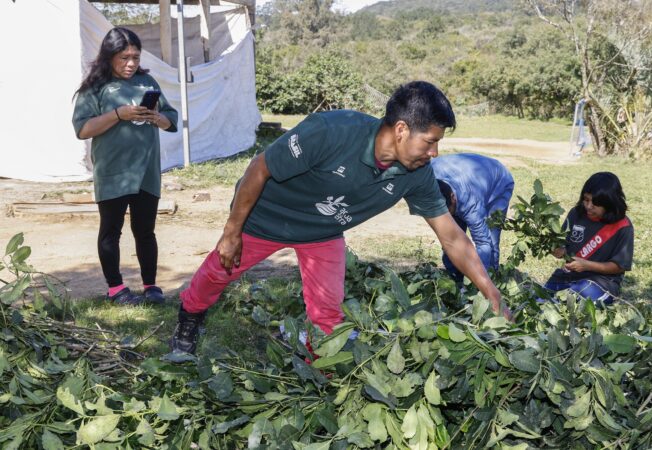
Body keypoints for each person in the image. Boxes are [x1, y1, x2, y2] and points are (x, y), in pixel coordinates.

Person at [170, 81, 508, 354]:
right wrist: (232, 232)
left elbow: (452, 236)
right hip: (268, 217)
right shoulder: (332, 131)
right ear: (402, 129)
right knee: (217, 272)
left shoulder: (416, 172)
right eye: (430, 142)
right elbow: (258, 169)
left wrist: (490, 292)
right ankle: (190, 315)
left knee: (328, 310)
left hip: (324, 232)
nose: (434, 153)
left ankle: (324, 362)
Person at [72, 27, 178, 305]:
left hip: (146, 173)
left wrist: (156, 117)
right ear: (109, 57)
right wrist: (118, 114)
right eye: (124, 57)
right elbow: (83, 129)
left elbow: (171, 121)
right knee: (111, 230)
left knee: (145, 231)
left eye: (135, 56)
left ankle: (151, 286)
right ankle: (116, 288)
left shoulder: (147, 81)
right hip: (113, 174)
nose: (131, 63)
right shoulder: (95, 88)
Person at [545, 172, 633, 305]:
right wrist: (558, 250)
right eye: (586, 200)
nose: (588, 206)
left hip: (601, 283)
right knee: (538, 301)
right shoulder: (576, 213)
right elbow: (564, 247)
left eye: (595, 203)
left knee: (567, 302)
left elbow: (619, 266)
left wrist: (587, 265)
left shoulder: (623, 226)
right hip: (567, 277)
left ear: (609, 203)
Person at [431, 153, 515, 284]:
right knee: (452, 234)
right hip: (464, 173)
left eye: (449, 211)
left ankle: (491, 280)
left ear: (453, 198)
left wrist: (479, 284)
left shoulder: (472, 204)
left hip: (498, 181)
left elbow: (483, 244)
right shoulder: (427, 182)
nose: (446, 217)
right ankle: (456, 278)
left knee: (491, 238)